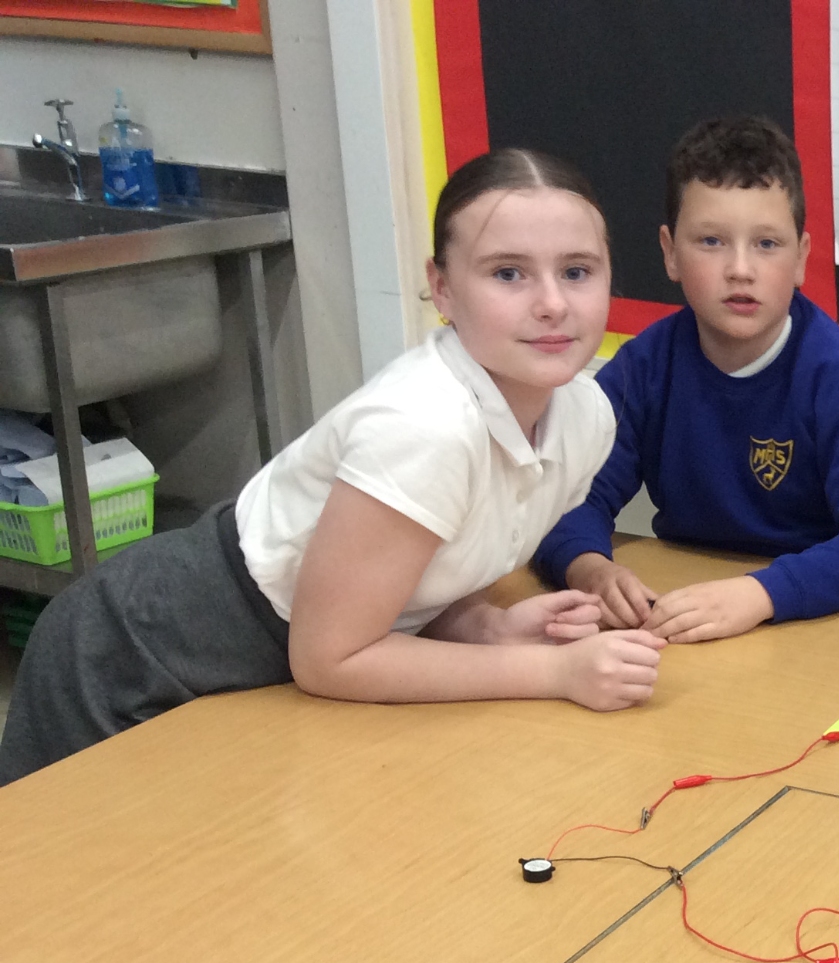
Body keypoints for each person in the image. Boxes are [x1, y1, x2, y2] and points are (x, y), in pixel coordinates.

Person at [0, 148, 664, 785]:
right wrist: (556, 674)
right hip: (134, 656)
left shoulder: (584, 417)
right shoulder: (426, 425)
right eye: (508, 274)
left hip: (276, 671)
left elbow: (420, 570)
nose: (552, 303)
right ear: (442, 288)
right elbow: (332, 659)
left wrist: (483, 626)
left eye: (577, 271)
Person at [532, 116, 839, 643]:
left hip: (814, 625)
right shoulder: (644, 367)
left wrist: (761, 594)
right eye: (711, 241)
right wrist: (589, 566)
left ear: (802, 259)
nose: (740, 269)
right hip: (686, 611)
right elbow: (564, 493)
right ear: (670, 252)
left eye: (767, 244)